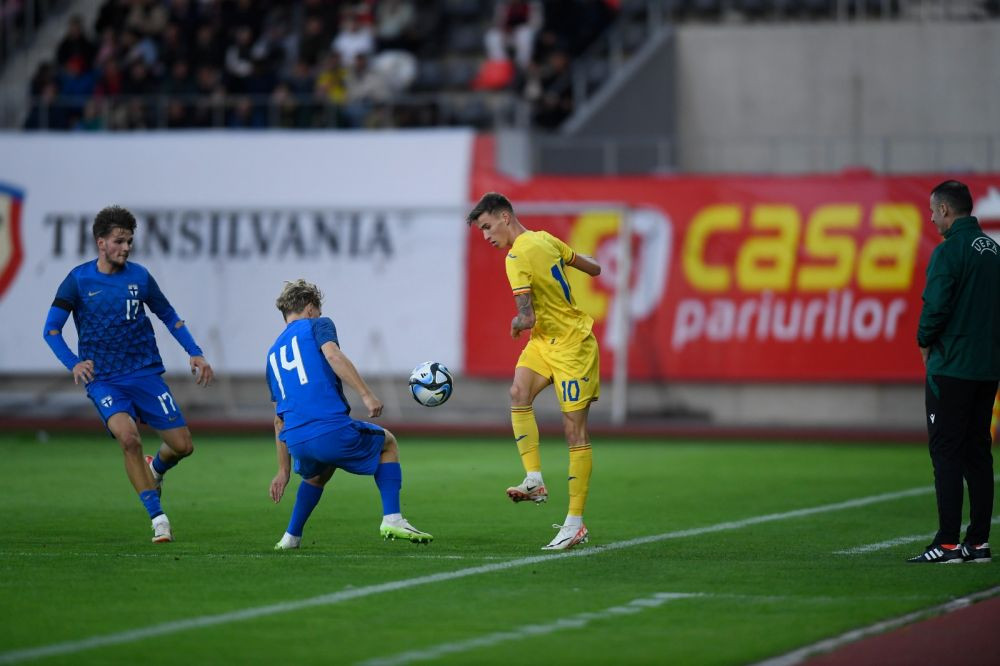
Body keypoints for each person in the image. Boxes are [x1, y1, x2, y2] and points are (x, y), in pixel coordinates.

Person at [43, 205, 214, 543]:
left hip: (144, 373)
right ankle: (158, 519)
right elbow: (51, 330)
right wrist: (74, 363)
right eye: (119, 241)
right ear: (100, 242)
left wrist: (194, 351)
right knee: (129, 438)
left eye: (129, 241)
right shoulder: (78, 280)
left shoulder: (139, 277)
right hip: (104, 379)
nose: (125, 248)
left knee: (182, 445)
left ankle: (157, 469)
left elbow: (168, 315)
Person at [467, 192, 601, 551]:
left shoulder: (516, 257)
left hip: (572, 346)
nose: (485, 236)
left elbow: (526, 317)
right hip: (546, 342)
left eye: (486, 227)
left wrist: (514, 323)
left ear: (505, 217)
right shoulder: (546, 238)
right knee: (518, 392)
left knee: (575, 432)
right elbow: (592, 267)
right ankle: (534, 479)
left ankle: (574, 523)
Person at [266, 279, 432, 549]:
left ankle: (290, 537)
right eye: (317, 311)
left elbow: (278, 419)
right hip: (329, 430)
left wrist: (283, 470)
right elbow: (333, 356)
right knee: (387, 442)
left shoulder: (272, 355)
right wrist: (366, 394)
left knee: (319, 472)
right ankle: (392, 518)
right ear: (310, 308)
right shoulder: (318, 324)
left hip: (296, 441)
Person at [910, 180, 999, 564]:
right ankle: (977, 542)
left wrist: (924, 341)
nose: (931, 217)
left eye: (933, 210)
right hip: (987, 368)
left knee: (946, 451)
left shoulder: (948, 253)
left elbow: (935, 308)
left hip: (951, 367)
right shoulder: (994, 252)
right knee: (978, 451)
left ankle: (946, 542)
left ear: (946, 210)